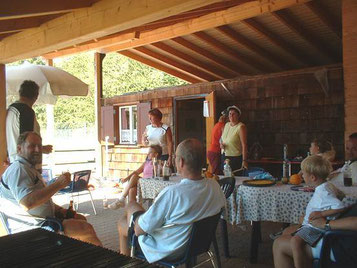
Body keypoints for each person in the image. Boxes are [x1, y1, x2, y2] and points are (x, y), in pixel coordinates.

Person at [117, 138, 226, 263]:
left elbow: (139, 230)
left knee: (124, 218)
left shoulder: (173, 193)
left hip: (167, 249)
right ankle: (131, 208)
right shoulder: (215, 186)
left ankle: (125, 262)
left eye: (175, 157)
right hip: (197, 245)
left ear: (181, 162)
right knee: (132, 213)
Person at [0, 131, 102, 246]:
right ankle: (103, 261)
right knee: (85, 229)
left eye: (39, 146)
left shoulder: (27, 168)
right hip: (30, 227)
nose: (38, 150)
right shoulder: (19, 169)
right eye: (32, 146)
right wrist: (58, 184)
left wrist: (59, 210)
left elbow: (39, 199)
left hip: (40, 219)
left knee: (80, 219)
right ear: (19, 149)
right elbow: (27, 203)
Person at [273, 155, 346, 268]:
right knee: (287, 232)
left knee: (295, 242)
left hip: (315, 228)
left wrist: (321, 214)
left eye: (304, 173)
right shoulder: (326, 185)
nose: (302, 175)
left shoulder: (323, 193)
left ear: (312, 178)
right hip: (311, 225)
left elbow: (340, 206)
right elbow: (341, 195)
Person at [274, 202, 357, 267]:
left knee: (279, 244)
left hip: (343, 245)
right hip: (341, 233)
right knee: (288, 231)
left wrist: (326, 223)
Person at [6, 80, 52, 164]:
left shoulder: (10, 110)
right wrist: (42, 149)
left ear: (20, 93)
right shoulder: (26, 111)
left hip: (12, 161)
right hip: (24, 164)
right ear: (36, 96)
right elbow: (27, 141)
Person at [108, 145, 162, 209]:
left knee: (134, 177)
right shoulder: (146, 163)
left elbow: (161, 175)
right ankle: (133, 212)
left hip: (153, 186)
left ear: (156, 154)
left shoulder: (160, 163)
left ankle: (122, 199)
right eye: (148, 152)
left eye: (150, 152)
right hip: (144, 185)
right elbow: (136, 172)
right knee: (131, 190)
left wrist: (156, 164)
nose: (148, 154)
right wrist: (126, 179)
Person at [220, 105, 248, 173]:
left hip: (235, 158)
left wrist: (244, 160)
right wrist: (221, 144)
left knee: (235, 179)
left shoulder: (241, 127)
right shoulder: (226, 125)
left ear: (238, 116)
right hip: (224, 156)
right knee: (225, 178)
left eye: (233, 114)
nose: (231, 115)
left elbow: (244, 145)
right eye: (230, 113)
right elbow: (221, 138)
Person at [207, 110, 228, 175]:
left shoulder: (217, 125)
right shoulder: (223, 126)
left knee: (216, 171)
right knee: (216, 173)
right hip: (215, 152)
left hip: (211, 151)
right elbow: (222, 140)